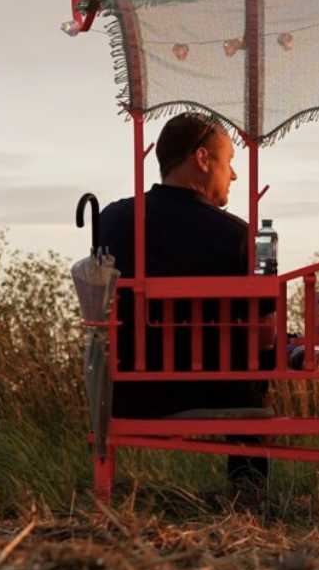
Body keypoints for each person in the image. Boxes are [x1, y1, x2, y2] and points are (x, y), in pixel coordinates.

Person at [94, 112, 276, 498]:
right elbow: (264, 338)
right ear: (202, 159)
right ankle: (248, 491)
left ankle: (108, 494)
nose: (234, 175)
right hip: (221, 394)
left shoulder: (112, 219)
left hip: (131, 393)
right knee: (257, 360)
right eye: (229, 162)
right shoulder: (243, 236)